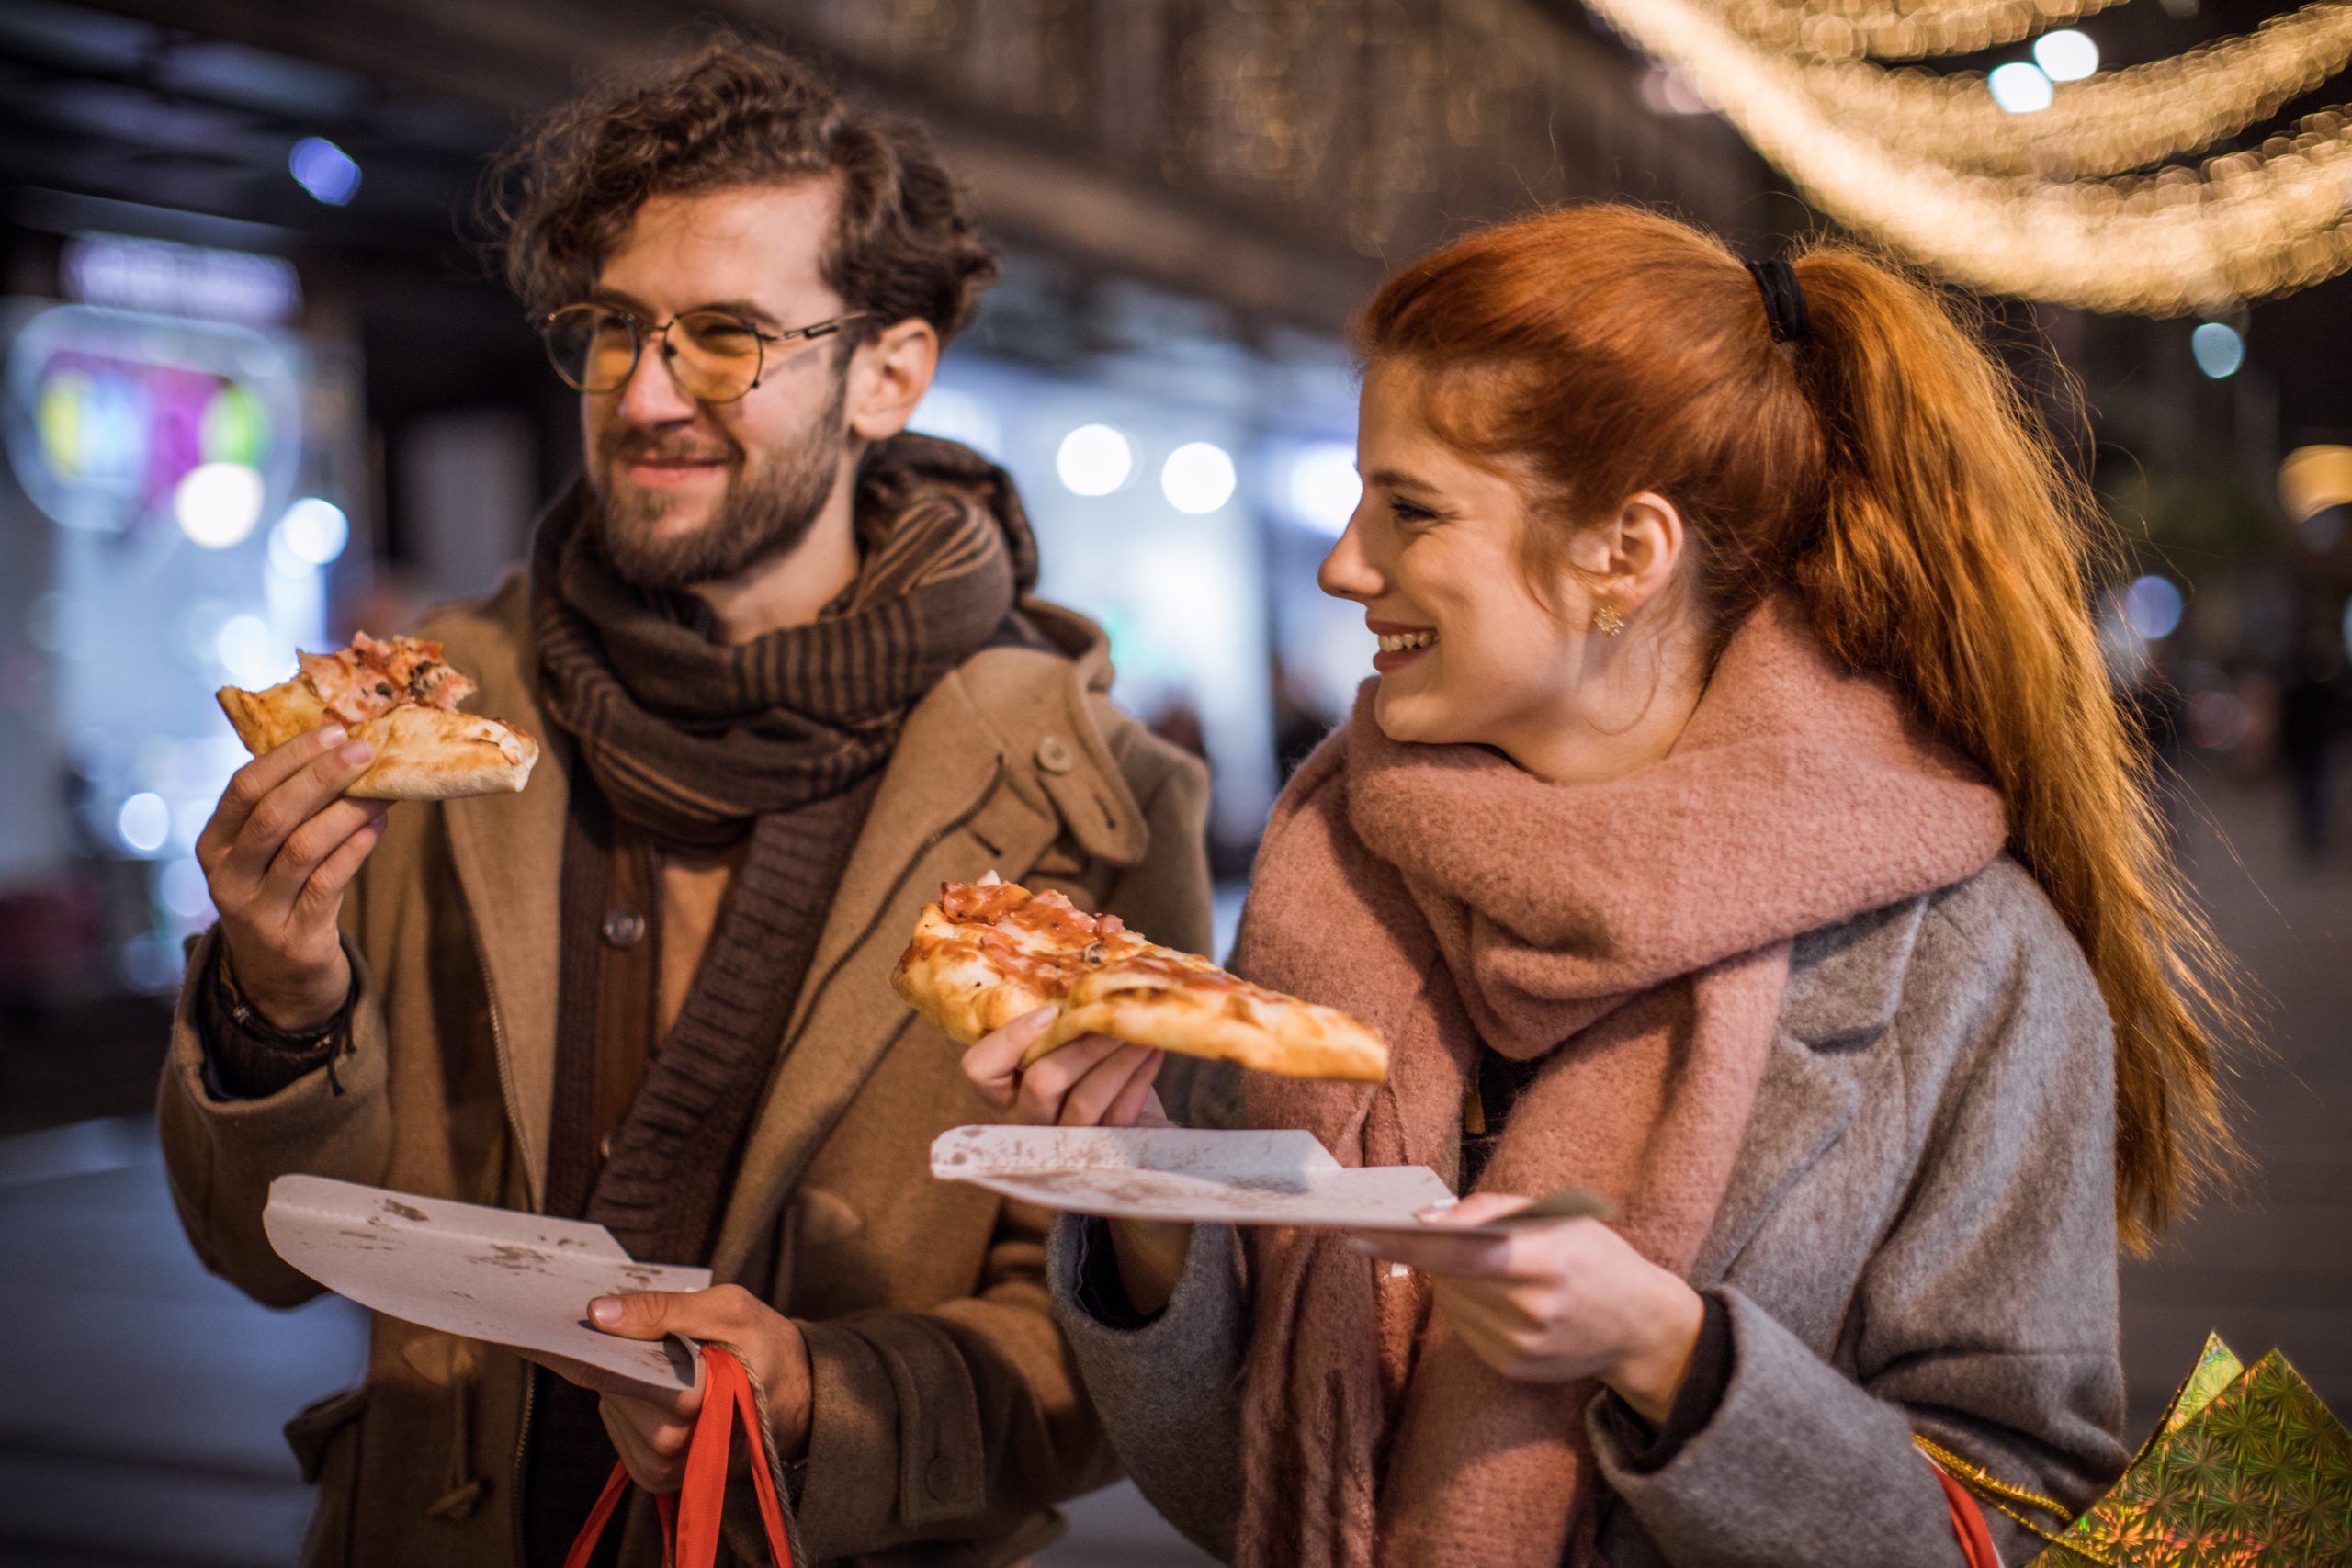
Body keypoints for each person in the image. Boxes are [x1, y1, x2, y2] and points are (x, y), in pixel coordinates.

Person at [964, 206, 2244, 1567]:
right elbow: (1247, 1490)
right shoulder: (1334, 865)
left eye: (1410, 509)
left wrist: (1670, 1355)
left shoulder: (1968, 961)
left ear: (1625, 555)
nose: (1345, 564)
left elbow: (2023, 1519)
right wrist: (1141, 1190)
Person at [161, 40, 1209, 1568]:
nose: (647, 392)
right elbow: (257, 1256)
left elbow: (1124, 1350)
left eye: (726, 337)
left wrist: (822, 1399)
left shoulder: (1094, 804)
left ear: (891, 370)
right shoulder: (430, 718)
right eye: (616, 328)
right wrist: (276, 1005)